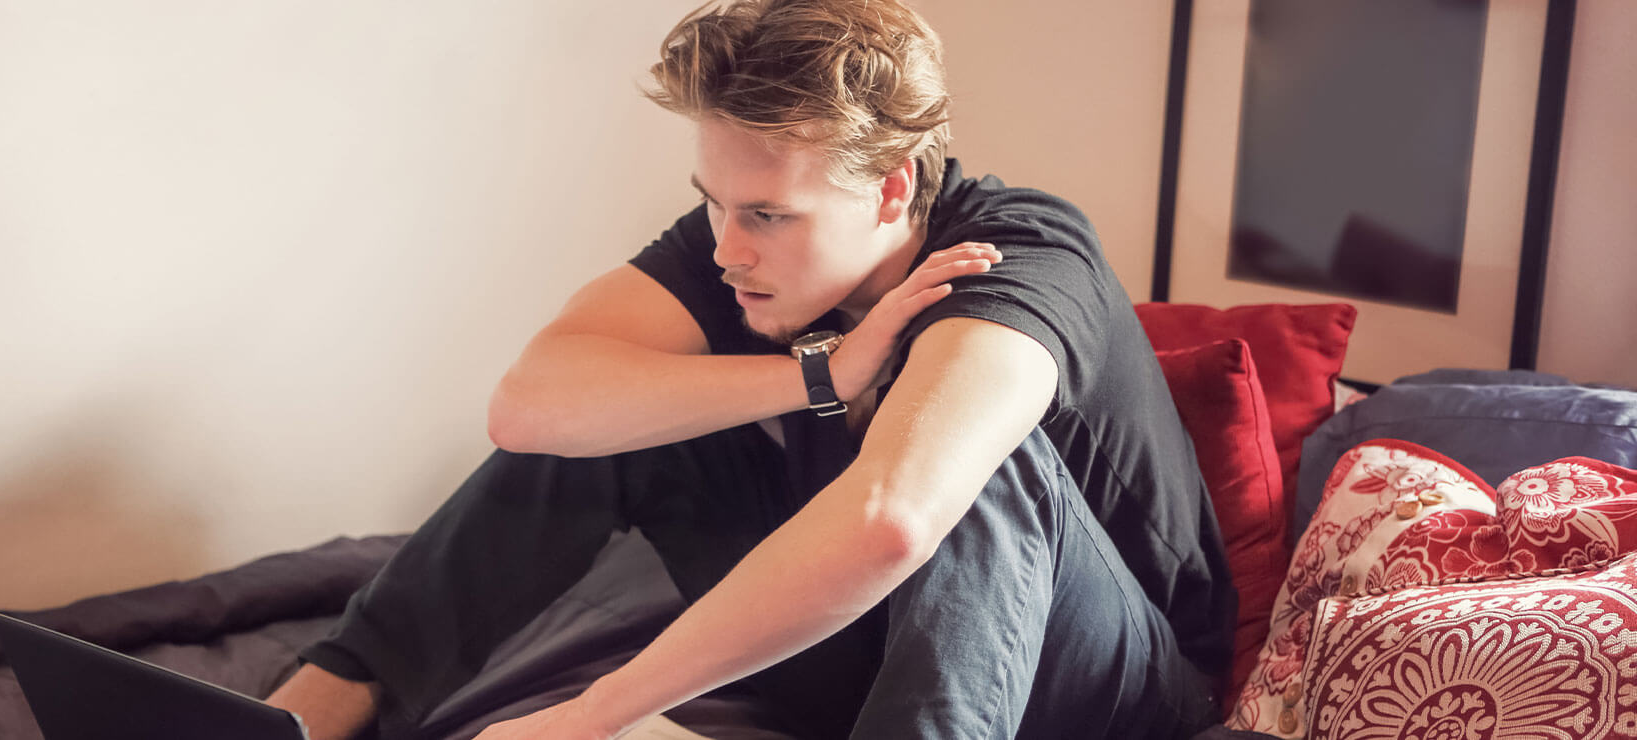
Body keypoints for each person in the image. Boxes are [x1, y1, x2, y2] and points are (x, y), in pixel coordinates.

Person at [265, 0, 1235, 737]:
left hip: (1108, 686)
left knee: (970, 460)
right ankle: (324, 701)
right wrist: (820, 374)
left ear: (891, 185)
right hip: (863, 652)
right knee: (631, 417)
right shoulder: (737, 239)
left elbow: (894, 516)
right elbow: (529, 408)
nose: (727, 247)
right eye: (712, 203)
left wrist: (586, 715)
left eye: (765, 214)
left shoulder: (1017, 253)